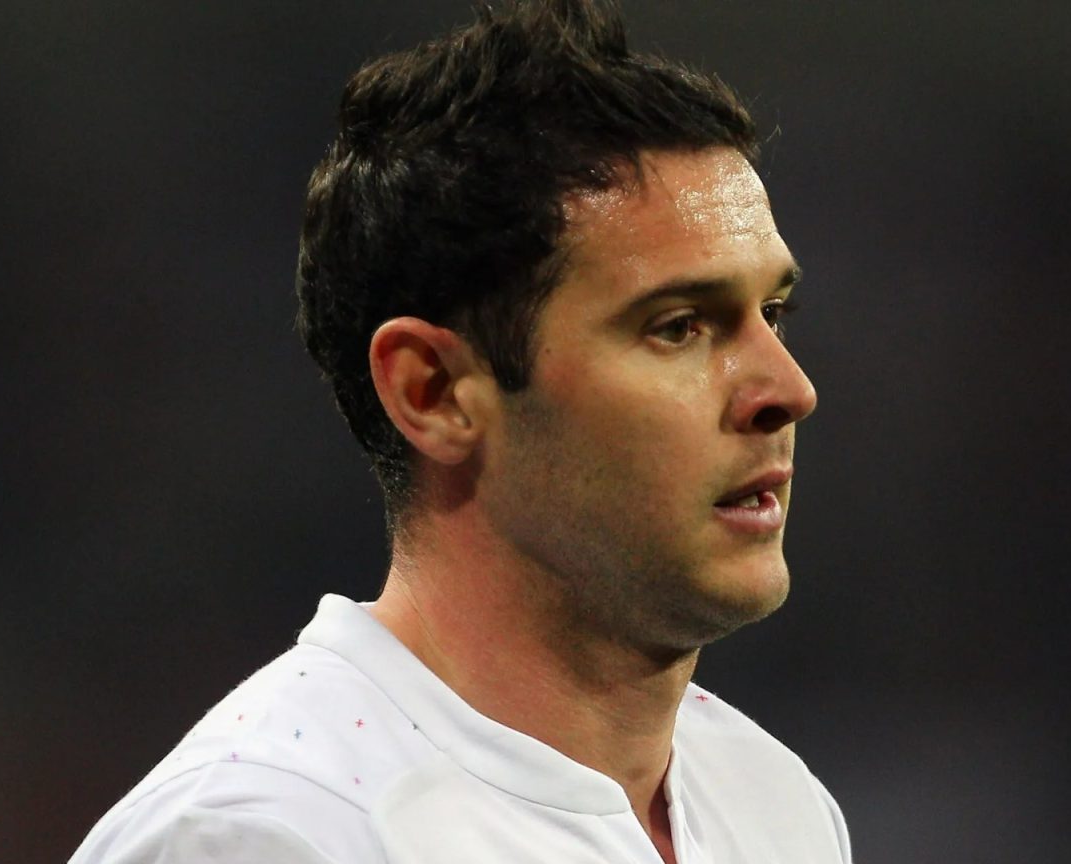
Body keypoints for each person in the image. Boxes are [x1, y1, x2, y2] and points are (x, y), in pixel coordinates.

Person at [69, 1, 849, 861]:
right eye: (677, 327)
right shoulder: (273, 834)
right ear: (433, 392)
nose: (788, 390)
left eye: (774, 313)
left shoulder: (776, 808)